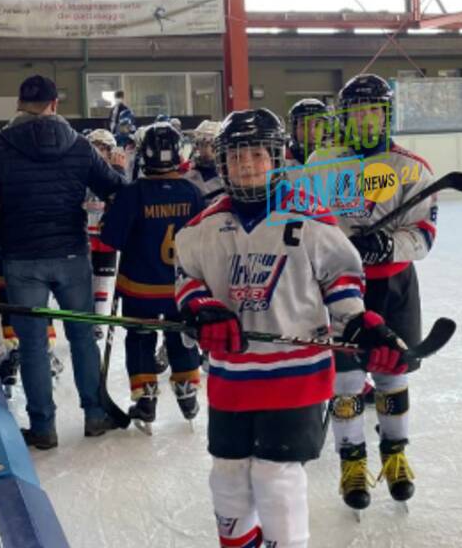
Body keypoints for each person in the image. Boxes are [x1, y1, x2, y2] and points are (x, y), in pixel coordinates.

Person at [174, 108, 407, 547]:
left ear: (277, 158)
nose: (246, 165)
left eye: (257, 155)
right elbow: (187, 278)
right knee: (227, 472)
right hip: (231, 374)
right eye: (237, 156)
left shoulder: (310, 219)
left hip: (294, 374)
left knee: (275, 476)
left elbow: (341, 279)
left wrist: (359, 321)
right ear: (222, 163)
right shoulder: (201, 227)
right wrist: (202, 309)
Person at [0, 75, 126, 449]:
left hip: (21, 259)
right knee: (83, 337)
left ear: (19, 104)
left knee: (34, 344)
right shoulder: (79, 147)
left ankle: (43, 427)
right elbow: (114, 189)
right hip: (72, 255)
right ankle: (95, 414)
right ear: (55, 104)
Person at [308, 73, 439, 509]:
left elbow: (424, 235)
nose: (364, 119)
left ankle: (396, 454)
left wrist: (387, 244)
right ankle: (351, 462)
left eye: (373, 110)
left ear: (387, 114)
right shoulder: (321, 164)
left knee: (391, 373)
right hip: (339, 290)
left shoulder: (412, 167)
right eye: (356, 111)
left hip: (394, 285)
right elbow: (305, 224)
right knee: (345, 381)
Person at [100, 123, 205, 430]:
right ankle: (187, 392)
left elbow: (109, 241)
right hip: (180, 288)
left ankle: (146, 398)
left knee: (140, 338)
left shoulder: (132, 194)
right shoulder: (192, 192)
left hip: (139, 288)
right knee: (181, 336)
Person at [84, 129, 127, 329]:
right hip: (82, 235)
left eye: (104, 148)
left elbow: (125, 196)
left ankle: (98, 322)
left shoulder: (114, 174)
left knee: (103, 279)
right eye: (95, 148)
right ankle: (87, 318)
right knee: (83, 279)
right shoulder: (79, 173)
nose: (100, 153)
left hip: (105, 235)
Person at [179, 120, 224, 204]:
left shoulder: (228, 176)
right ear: (197, 146)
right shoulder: (187, 175)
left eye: (212, 145)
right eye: (202, 144)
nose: (207, 150)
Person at [286, 98, 329, 167]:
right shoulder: (281, 160)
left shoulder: (334, 161)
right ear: (294, 129)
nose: (311, 132)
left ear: (325, 130)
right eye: (304, 125)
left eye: (317, 125)